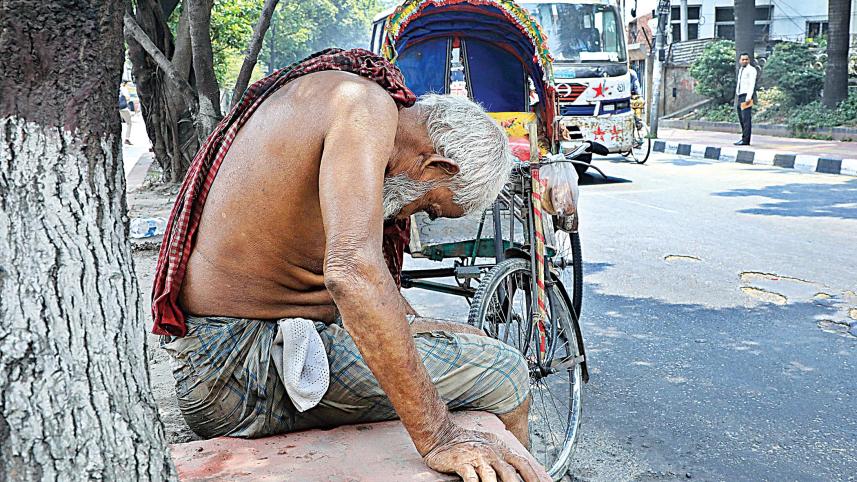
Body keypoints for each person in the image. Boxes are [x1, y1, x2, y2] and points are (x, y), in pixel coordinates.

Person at [151, 48, 549, 481]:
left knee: (467, 341)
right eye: (431, 207)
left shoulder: (343, 98)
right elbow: (352, 273)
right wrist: (439, 436)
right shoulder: (363, 108)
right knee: (504, 370)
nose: (409, 216)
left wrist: (444, 333)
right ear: (436, 164)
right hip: (240, 372)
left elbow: (362, 286)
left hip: (222, 361)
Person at [734, 52, 757, 146]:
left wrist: (748, 97)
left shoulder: (752, 70)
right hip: (740, 96)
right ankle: (743, 136)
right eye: (743, 59)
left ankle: (746, 140)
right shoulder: (741, 70)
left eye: (746, 59)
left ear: (749, 60)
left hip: (747, 96)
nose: (744, 61)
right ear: (740, 61)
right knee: (741, 117)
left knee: (746, 118)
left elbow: (752, 84)